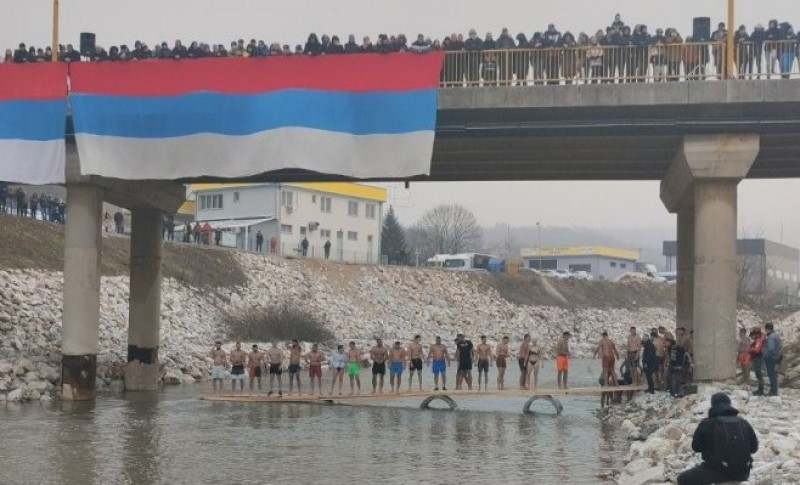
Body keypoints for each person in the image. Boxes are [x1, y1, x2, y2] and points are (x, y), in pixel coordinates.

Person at [677, 393, 758, 485]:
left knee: (683, 479)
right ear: (729, 404)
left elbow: (696, 447)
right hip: (742, 472)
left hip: (717, 471)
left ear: (713, 405)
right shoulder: (743, 422)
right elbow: (754, 448)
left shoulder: (707, 423)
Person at [762, 322, 783, 396]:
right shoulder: (776, 335)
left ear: (767, 329)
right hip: (777, 357)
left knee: (771, 375)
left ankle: (773, 392)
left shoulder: (771, 337)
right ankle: (774, 390)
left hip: (771, 358)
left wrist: (765, 355)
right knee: (774, 374)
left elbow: (770, 348)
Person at [749, 326, 767, 396]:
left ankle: (760, 390)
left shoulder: (759, 340)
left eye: (754, 334)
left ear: (757, 333)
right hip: (758, 358)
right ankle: (760, 389)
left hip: (758, 358)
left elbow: (756, 350)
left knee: (759, 374)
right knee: (758, 374)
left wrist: (751, 349)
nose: (753, 336)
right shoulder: (760, 339)